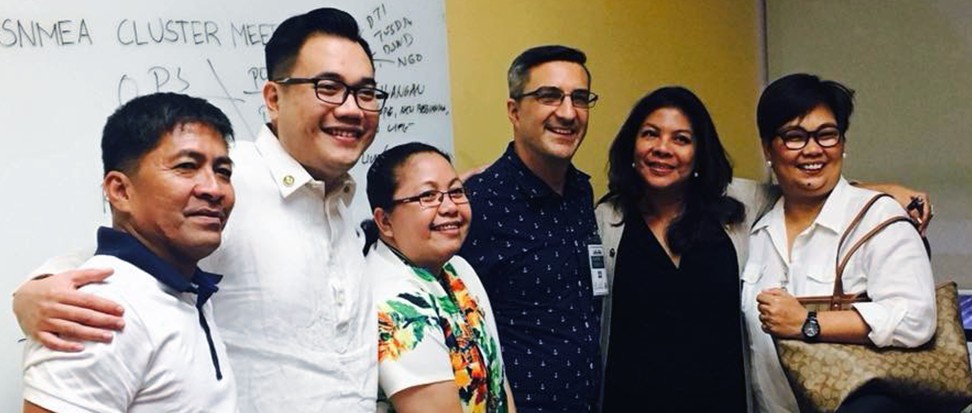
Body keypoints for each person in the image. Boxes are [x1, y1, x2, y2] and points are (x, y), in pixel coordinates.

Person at [12, 8, 386, 413]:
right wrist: (31, 294)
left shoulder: (343, 202)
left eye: (365, 93)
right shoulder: (226, 181)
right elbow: (113, 258)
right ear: (274, 99)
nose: (351, 109)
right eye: (327, 87)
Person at [23, 92, 238, 412]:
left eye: (223, 171)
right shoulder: (101, 310)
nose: (215, 188)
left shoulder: (182, 289)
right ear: (120, 190)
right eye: (186, 167)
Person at [742, 73, 936, 413]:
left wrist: (808, 323)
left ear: (843, 144)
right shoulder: (754, 227)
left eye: (827, 135)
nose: (813, 149)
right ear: (767, 148)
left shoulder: (878, 218)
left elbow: (915, 318)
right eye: (794, 137)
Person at [459, 45, 602, 412]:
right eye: (549, 96)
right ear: (514, 110)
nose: (568, 113)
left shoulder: (582, 193)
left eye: (580, 98)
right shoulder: (477, 204)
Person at [596, 86, 757, 412]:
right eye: (650, 135)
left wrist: (884, 192)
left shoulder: (743, 208)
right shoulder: (604, 220)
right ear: (632, 145)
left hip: (723, 402)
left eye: (681, 139)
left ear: (699, 153)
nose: (662, 149)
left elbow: (807, 193)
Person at [362, 142, 516, 413]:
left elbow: (499, 383)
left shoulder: (458, 268)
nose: (449, 207)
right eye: (428, 196)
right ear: (385, 221)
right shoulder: (391, 300)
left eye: (456, 191)